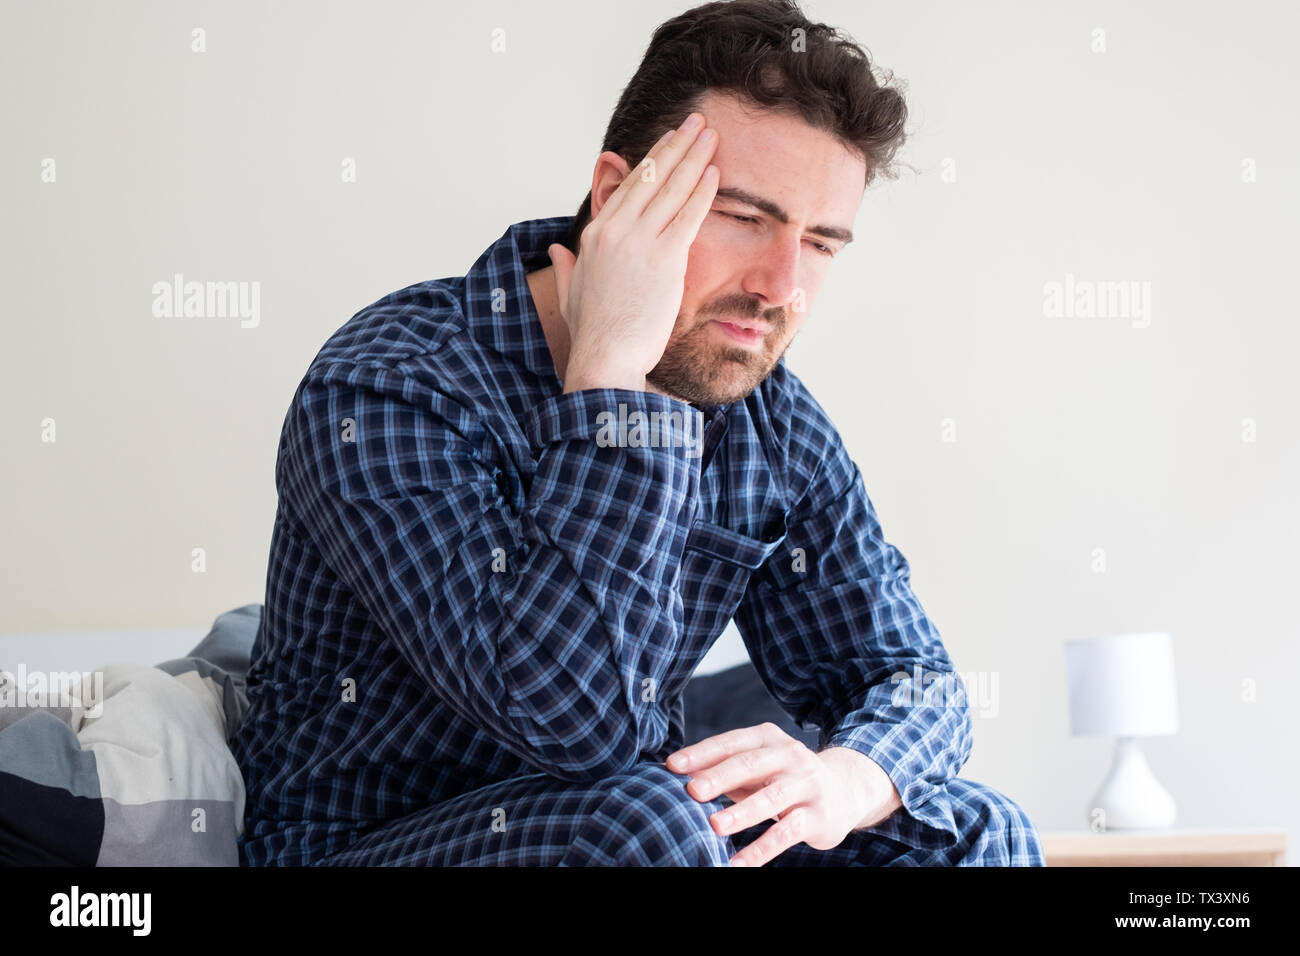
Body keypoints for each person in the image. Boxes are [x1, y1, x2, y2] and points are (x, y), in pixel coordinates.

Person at [232, 0, 1045, 866]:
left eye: (820, 244)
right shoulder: (392, 385)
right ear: (619, 196)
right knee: (645, 822)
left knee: (973, 832)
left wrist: (849, 776)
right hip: (365, 846)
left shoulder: (767, 420)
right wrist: (615, 380)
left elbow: (911, 678)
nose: (782, 286)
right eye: (743, 217)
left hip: (648, 834)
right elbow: (577, 727)